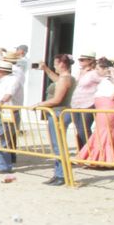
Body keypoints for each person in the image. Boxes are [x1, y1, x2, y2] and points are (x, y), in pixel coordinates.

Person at [38, 54, 77, 185]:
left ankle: (61, 175)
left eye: (55, 63)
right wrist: (46, 69)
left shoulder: (65, 79)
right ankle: (59, 173)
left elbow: (57, 99)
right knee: (57, 144)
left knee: (58, 144)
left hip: (59, 112)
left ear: (61, 64)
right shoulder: (65, 78)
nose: (54, 66)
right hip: (59, 112)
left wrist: (39, 104)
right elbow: (57, 81)